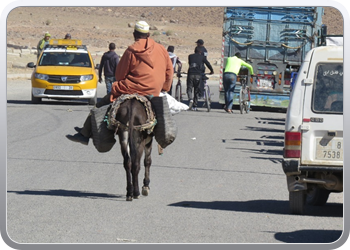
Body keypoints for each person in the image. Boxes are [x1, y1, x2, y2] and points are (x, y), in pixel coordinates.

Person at [66, 21, 173, 145]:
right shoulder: (161, 49)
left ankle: (85, 133)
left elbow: (119, 75)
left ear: (134, 34)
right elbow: (169, 72)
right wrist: (164, 87)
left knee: (102, 103)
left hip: (132, 88)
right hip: (154, 91)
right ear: (148, 34)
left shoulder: (131, 50)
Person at [186, 47, 214, 111]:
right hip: (198, 75)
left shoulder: (190, 56)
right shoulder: (202, 57)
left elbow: (190, 63)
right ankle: (194, 106)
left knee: (189, 88)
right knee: (196, 90)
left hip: (190, 74)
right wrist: (212, 70)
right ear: (200, 52)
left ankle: (190, 99)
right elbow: (207, 64)